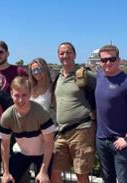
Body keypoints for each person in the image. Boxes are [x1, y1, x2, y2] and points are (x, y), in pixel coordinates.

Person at [95, 44, 127, 183]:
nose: (108, 63)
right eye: (104, 60)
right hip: (101, 140)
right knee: (107, 179)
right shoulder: (99, 76)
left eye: (112, 59)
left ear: (119, 60)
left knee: (124, 180)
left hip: (121, 142)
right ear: (100, 62)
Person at [51, 42, 96, 183]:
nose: (65, 56)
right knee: (53, 169)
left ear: (74, 55)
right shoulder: (58, 77)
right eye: (62, 53)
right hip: (62, 131)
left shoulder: (84, 74)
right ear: (58, 56)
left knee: (81, 173)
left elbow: (102, 92)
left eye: (68, 52)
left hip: (81, 130)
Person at [0, 76, 55, 183]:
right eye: (16, 95)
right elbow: (4, 144)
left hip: (42, 153)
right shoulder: (7, 116)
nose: (20, 100)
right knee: (8, 180)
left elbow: (49, 143)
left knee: (44, 180)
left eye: (24, 95)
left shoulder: (41, 113)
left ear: (30, 93)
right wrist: (6, 172)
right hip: (21, 152)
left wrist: (43, 172)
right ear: (11, 94)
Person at [0, 40, 28, 183]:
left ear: (7, 53)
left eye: (0, 52)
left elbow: (31, 93)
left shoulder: (19, 71)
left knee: (19, 163)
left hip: (18, 124)